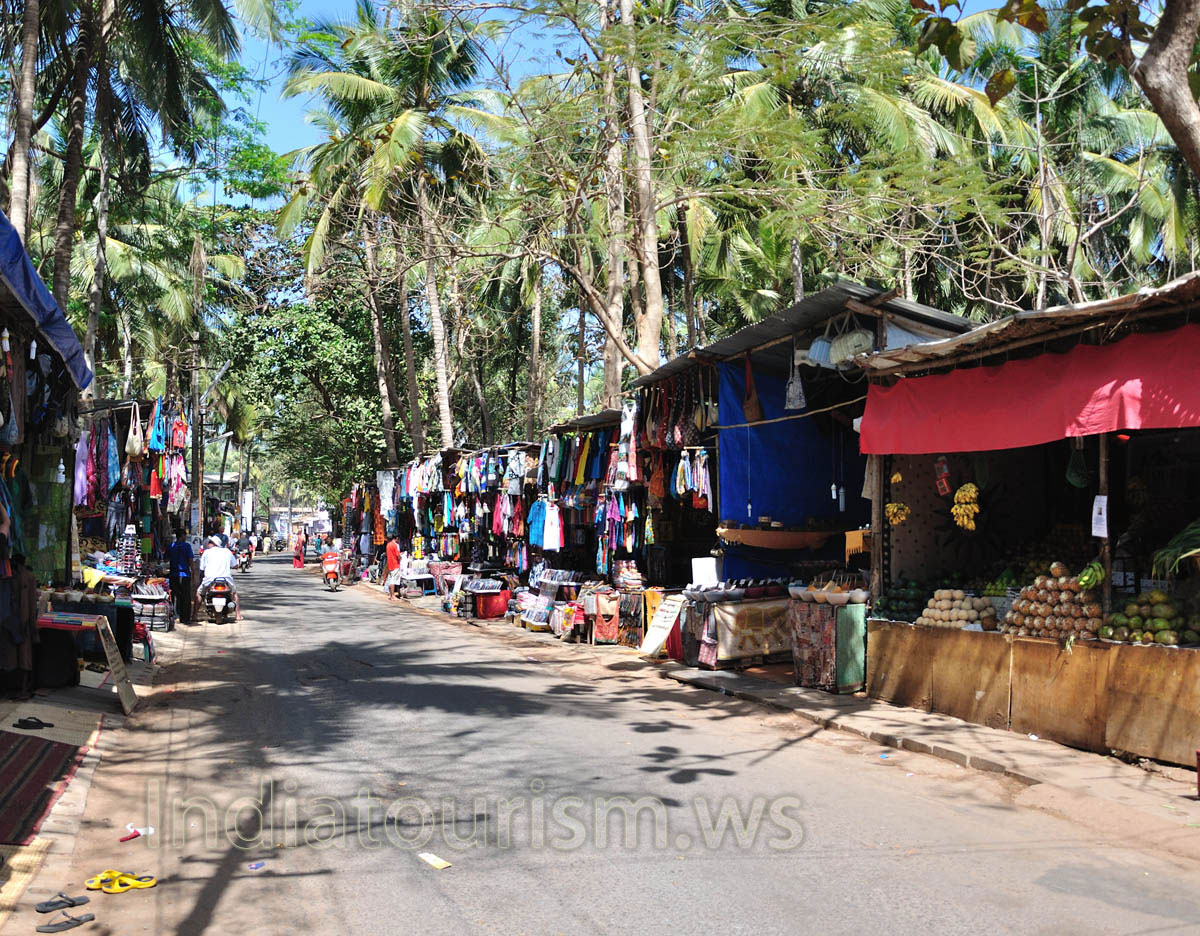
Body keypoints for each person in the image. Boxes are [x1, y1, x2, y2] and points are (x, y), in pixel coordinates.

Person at [198, 535, 240, 620]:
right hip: (226, 579)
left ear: (213, 544)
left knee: (199, 593)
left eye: (210, 542)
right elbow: (235, 565)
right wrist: (234, 566)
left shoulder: (206, 552)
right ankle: (238, 615)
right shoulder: (227, 551)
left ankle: (194, 614)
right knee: (234, 594)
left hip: (209, 579)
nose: (208, 544)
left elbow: (202, 568)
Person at [167, 529, 195, 624]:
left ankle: (176, 615)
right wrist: (193, 572)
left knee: (175, 596)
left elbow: (166, 558)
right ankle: (185, 618)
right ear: (182, 536)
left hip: (174, 574)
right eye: (185, 535)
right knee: (185, 596)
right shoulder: (187, 546)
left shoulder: (171, 546)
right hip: (184, 574)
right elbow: (190, 560)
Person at [385, 533, 403, 600]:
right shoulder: (396, 545)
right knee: (393, 580)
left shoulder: (388, 545)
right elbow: (398, 556)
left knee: (390, 579)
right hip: (395, 564)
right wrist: (401, 557)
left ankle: (391, 595)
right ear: (397, 538)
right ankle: (393, 596)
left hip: (390, 564)